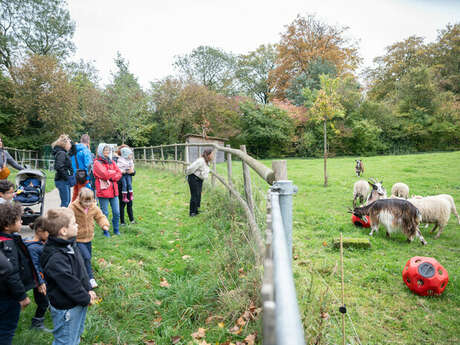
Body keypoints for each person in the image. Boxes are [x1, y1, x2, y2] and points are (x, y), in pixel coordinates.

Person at [40, 208, 98, 345]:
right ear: (63, 231)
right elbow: (69, 284)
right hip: (67, 308)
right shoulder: (56, 258)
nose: (77, 225)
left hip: (77, 301)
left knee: (74, 336)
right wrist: (85, 298)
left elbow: (81, 268)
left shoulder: (69, 244)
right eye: (73, 223)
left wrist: (88, 288)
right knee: (65, 341)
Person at [0, 203, 38, 345]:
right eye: (18, 219)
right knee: (6, 329)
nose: (21, 222)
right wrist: (22, 297)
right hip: (8, 297)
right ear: (7, 225)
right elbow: (12, 274)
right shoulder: (8, 246)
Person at [70, 187, 109, 287]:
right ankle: (90, 278)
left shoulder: (93, 207)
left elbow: (100, 216)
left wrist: (104, 224)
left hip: (88, 237)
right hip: (77, 238)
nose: (87, 204)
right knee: (86, 257)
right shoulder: (73, 207)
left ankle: (80, 274)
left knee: (87, 258)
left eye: (90, 201)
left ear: (93, 199)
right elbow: (67, 217)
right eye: (85, 202)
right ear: (80, 199)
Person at [25, 217, 51, 332]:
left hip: (43, 278)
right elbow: (34, 266)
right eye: (48, 232)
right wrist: (40, 282)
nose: (50, 235)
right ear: (40, 231)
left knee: (48, 298)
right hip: (38, 280)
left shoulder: (41, 243)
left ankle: (54, 312)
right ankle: (37, 323)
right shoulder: (33, 248)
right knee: (43, 302)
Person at [93, 143, 122, 237]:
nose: (107, 152)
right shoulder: (97, 163)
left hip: (114, 190)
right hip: (103, 191)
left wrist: (111, 174)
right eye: (105, 150)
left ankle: (116, 230)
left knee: (117, 212)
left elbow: (119, 173)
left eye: (108, 150)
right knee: (104, 213)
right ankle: (105, 231)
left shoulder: (111, 161)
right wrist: (112, 173)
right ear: (101, 151)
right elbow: (104, 174)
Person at [185, 149, 214, 217]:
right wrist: (187, 175)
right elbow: (191, 168)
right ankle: (192, 212)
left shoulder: (207, 161)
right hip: (193, 178)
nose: (213, 156)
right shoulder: (200, 161)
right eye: (212, 154)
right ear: (208, 154)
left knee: (198, 195)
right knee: (194, 195)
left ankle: (196, 210)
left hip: (199, 179)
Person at [114, 145, 136, 226]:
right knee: (122, 204)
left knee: (130, 203)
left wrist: (132, 171)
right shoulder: (117, 160)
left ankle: (132, 219)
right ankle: (122, 221)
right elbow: (116, 171)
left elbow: (133, 171)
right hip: (121, 185)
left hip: (128, 184)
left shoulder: (129, 160)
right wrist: (123, 172)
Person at [52, 135, 74, 207]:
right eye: (69, 143)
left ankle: (62, 216)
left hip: (63, 180)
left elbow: (74, 149)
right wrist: (66, 177)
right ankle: (60, 217)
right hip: (62, 180)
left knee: (66, 201)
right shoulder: (61, 153)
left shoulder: (63, 152)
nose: (70, 145)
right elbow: (59, 167)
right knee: (65, 202)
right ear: (65, 144)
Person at [70, 134, 93, 202]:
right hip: (83, 176)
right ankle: (81, 211)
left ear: (81, 140)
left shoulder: (73, 149)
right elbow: (88, 164)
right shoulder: (86, 150)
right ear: (88, 141)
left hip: (74, 175)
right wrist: (88, 177)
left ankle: (72, 209)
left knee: (75, 194)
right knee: (83, 196)